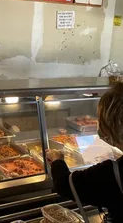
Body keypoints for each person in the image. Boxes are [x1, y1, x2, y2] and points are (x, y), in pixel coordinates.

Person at [47, 83, 123, 222]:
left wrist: (57, 160)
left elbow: (65, 184)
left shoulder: (113, 172)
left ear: (114, 125)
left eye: (101, 120)